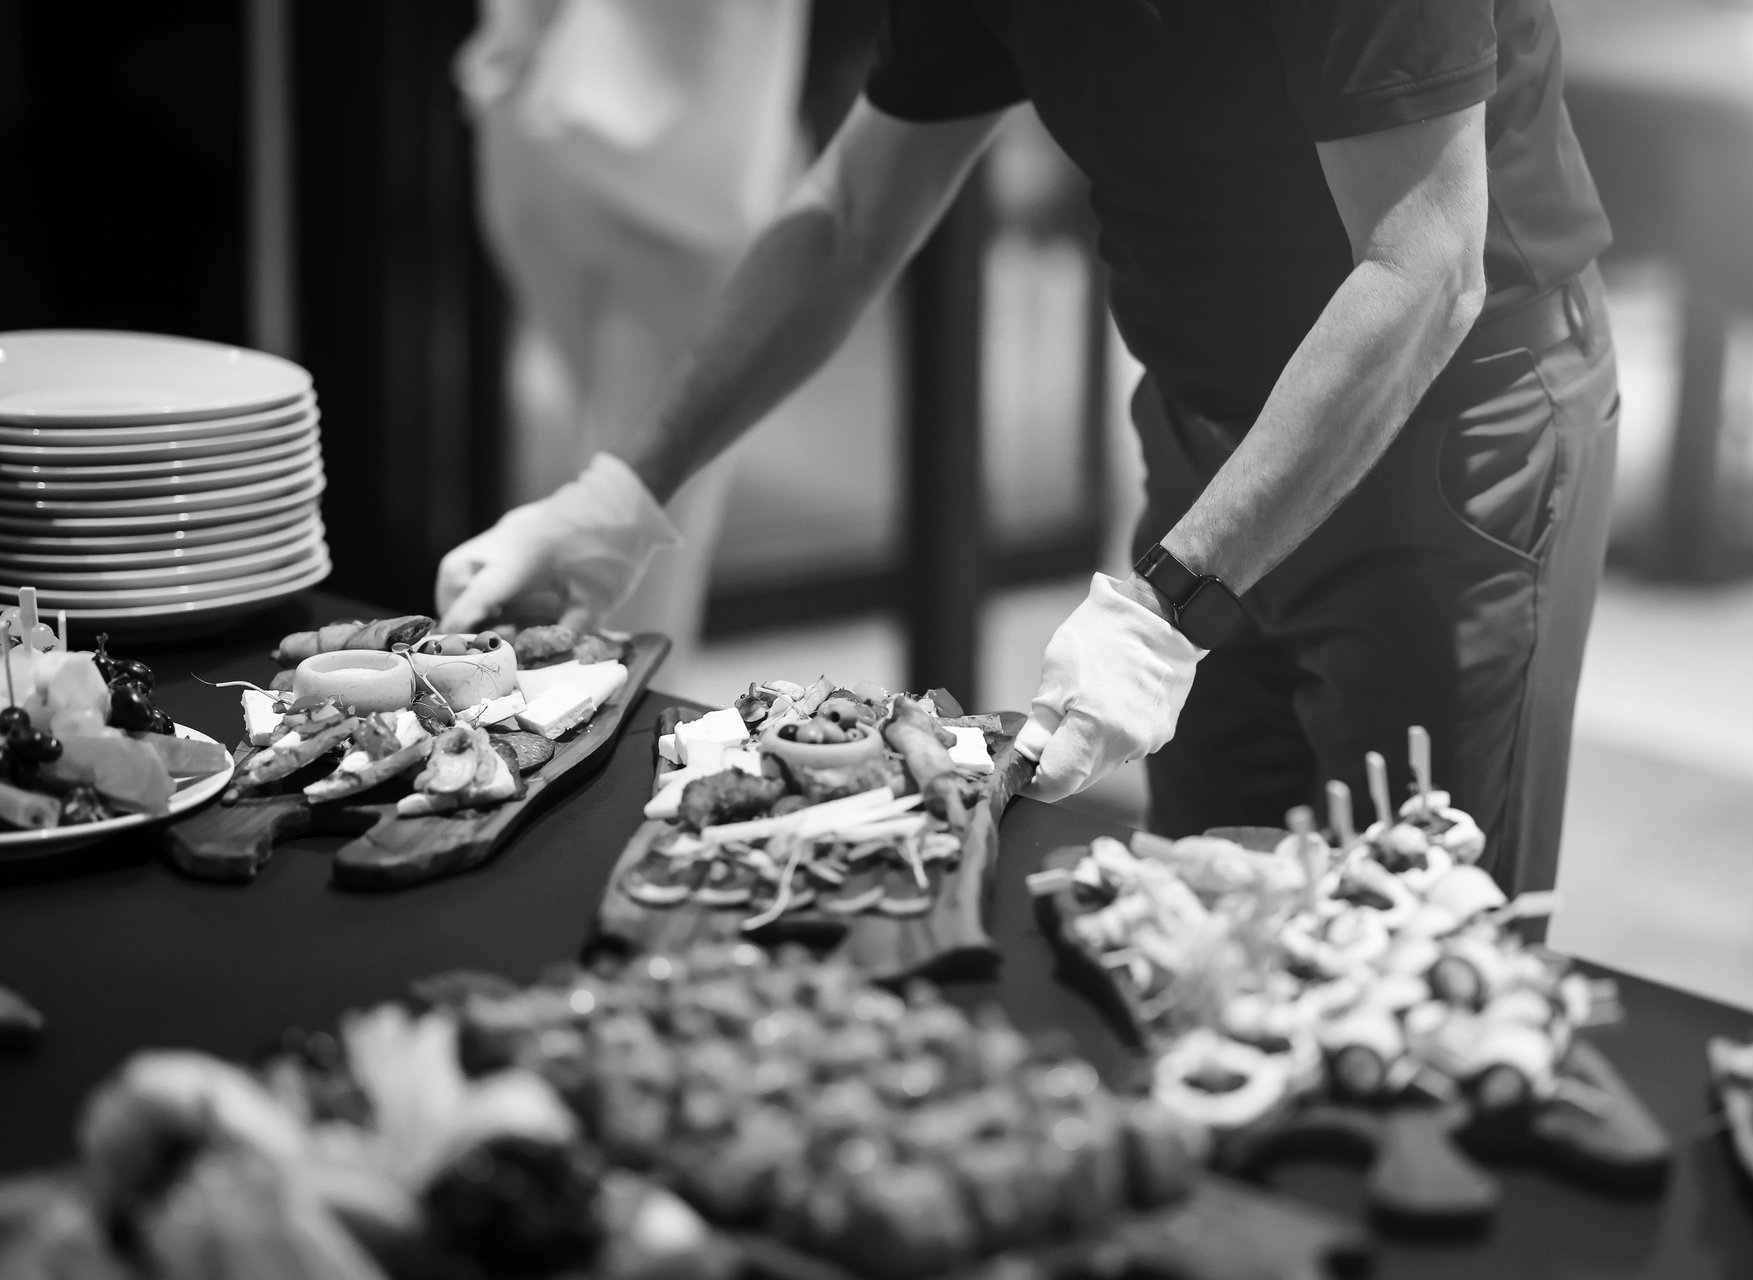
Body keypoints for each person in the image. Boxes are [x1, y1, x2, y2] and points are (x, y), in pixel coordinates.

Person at [438, 0, 1619, 900]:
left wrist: (1170, 599)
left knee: (1417, 940)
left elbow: (1425, 266)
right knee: (1192, 909)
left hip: (1449, 436)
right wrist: (623, 489)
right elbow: (849, 216)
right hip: (1213, 431)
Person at [451, 0, 808, 680]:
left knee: (615, 488)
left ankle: (578, 717)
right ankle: (609, 732)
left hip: (554, 119)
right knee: (635, 530)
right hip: (668, 155)